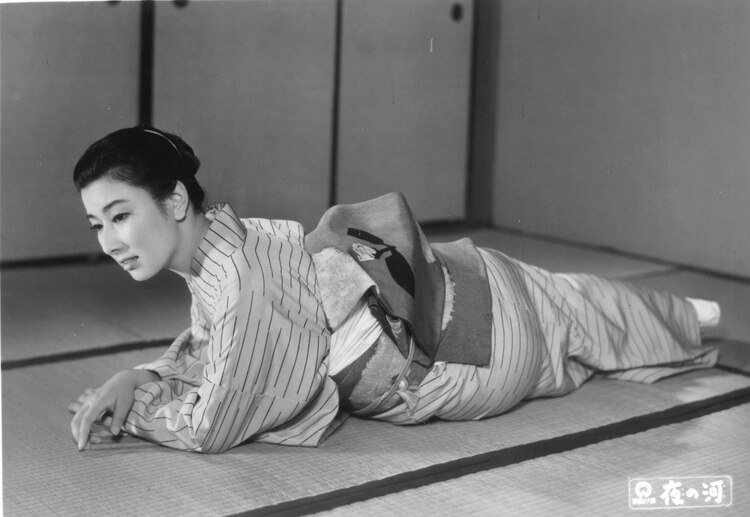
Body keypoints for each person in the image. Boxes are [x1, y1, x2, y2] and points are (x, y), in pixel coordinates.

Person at [69, 126, 721, 453]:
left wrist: (142, 407)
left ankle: (679, 318)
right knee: (572, 305)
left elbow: (216, 423)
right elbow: (218, 347)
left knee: (567, 330)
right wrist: (141, 372)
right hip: (464, 282)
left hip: (464, 357)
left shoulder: (241, 282)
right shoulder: (234, 242)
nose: (110, 240)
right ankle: (686, 314)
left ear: (174, 200)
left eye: (120, 215)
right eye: (98, 224)